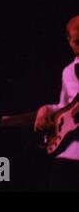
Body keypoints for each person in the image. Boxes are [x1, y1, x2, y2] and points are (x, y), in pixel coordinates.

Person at [33, 14, 79, 191]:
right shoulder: (67, 72)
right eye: (77, 41)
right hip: (68, 154)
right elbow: (64, 106)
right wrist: (46, 109)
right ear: (69, 40)